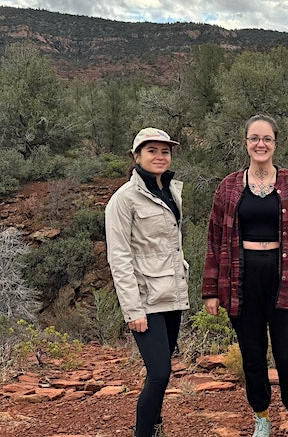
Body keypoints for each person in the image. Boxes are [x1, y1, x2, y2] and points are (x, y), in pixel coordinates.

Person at [202, 114, 288, 437]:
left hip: (286, 279)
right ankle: (262, 416)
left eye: (266, 138)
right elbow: (214, 240)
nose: (260, 144)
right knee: (252, 355)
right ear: (245, 143)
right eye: (254, 138)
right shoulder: (228, 187)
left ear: (275, 143)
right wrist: (211, 290)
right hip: (241, 280)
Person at [105, 127, 189, 437]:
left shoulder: (170, 191)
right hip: (145, 300)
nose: (159, 156)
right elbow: (119, 257)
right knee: (158, 373)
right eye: (151, 150)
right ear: (136, 156)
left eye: (165, 151)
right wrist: (133, 309)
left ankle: (155, 428)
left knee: (162, 374)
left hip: (171, 295)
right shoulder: (124, 199)